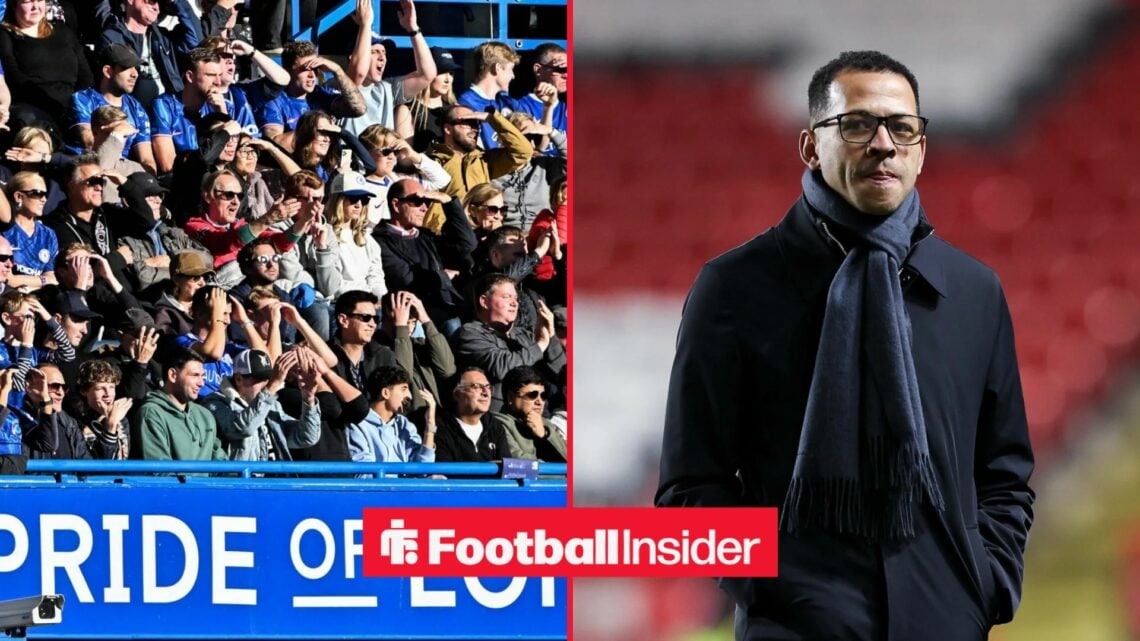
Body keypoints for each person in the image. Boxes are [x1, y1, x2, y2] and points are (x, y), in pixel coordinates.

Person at [655, 50, 1035, 641]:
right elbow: (690, 489)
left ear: (921, 149)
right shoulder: (735, 287)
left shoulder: (974, 291)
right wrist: (784, 592)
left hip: (947, 622)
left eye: (902, 127)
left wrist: (986, 586)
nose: (884, 143)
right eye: (858, 124)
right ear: (811, 147)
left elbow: (1004, 473)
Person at [202, 348, 321, 461]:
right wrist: (271, 387)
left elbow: (306, 437)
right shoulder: (215, 403)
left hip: (276, 479)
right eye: (259, 379)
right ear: (238, 379)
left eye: (269, 379)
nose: (266, 385)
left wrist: (308, 399)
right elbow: (242, 428)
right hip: (245, 480)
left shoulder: (272, 405)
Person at [135, 348, 225, 461]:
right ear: (173, 375)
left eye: (203, 376)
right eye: (195, 375)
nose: (201, 383)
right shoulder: (151, 414)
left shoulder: (205, 416)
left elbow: (220, 461)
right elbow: (160, 472)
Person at [347, 365, 435, 466]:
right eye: (403, 389)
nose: (410, 396)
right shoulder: (358, 424)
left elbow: (423, 467)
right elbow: (364, 473)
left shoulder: (404, 424)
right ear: (385, 393)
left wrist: (430, 424)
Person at [433, 366, 509, 463]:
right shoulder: (441, 427)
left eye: (488, 387)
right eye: (476, 386)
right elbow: (444, 472)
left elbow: (507, 469)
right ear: (457, 394)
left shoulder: (495, 427)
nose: (486, 393)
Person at [492, 365, 565, 462]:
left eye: (543, 396)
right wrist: (558, 471)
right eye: (532, 395)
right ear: (510, 397)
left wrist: (545, 434)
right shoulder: (498, 424)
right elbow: (518, 463)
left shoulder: (547, 425)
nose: (539, 401)